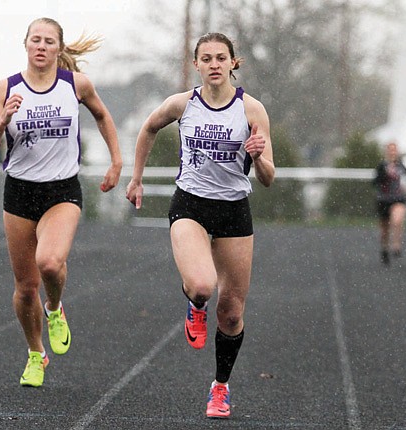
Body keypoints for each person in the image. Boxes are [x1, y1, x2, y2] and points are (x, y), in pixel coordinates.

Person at [126, 32, 275, 419]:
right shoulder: (182, 104)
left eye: (220, 58)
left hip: (233, 210)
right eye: (206, 58)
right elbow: (148, 128)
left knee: (231, 312)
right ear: (196, 64)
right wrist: (136, 177)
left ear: (232, 63)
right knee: (203, 285)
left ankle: (220, 388)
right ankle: (195, 304)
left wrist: (258, 158)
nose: (213, 64)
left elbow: (269, 177)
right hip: (190, 204)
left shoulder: (251, 110)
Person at [0, 17, 122, 388]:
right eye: (35, 40)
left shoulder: (75, 84)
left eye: (48, 41)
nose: (41, 47)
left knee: (50, 262)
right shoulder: (5, 88)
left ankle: (55, 307)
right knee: (25, 287)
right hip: (20, 192)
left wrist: (116, 160)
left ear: (59, 48)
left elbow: (103, 115)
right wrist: (4, 118)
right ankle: (35, 353)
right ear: (25, 44)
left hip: (62, 190)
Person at [373, 141, 406, 265]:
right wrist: (385, 174)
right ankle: (384, 249)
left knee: (397, 220)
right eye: (390, 149)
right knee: (384, 230)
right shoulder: (382, 166)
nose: (393, 152)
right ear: (386, 152)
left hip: (398, 199)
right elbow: (375, 182)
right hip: (384, 200)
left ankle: (396, 245)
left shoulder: (401, 166)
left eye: (394, 149)